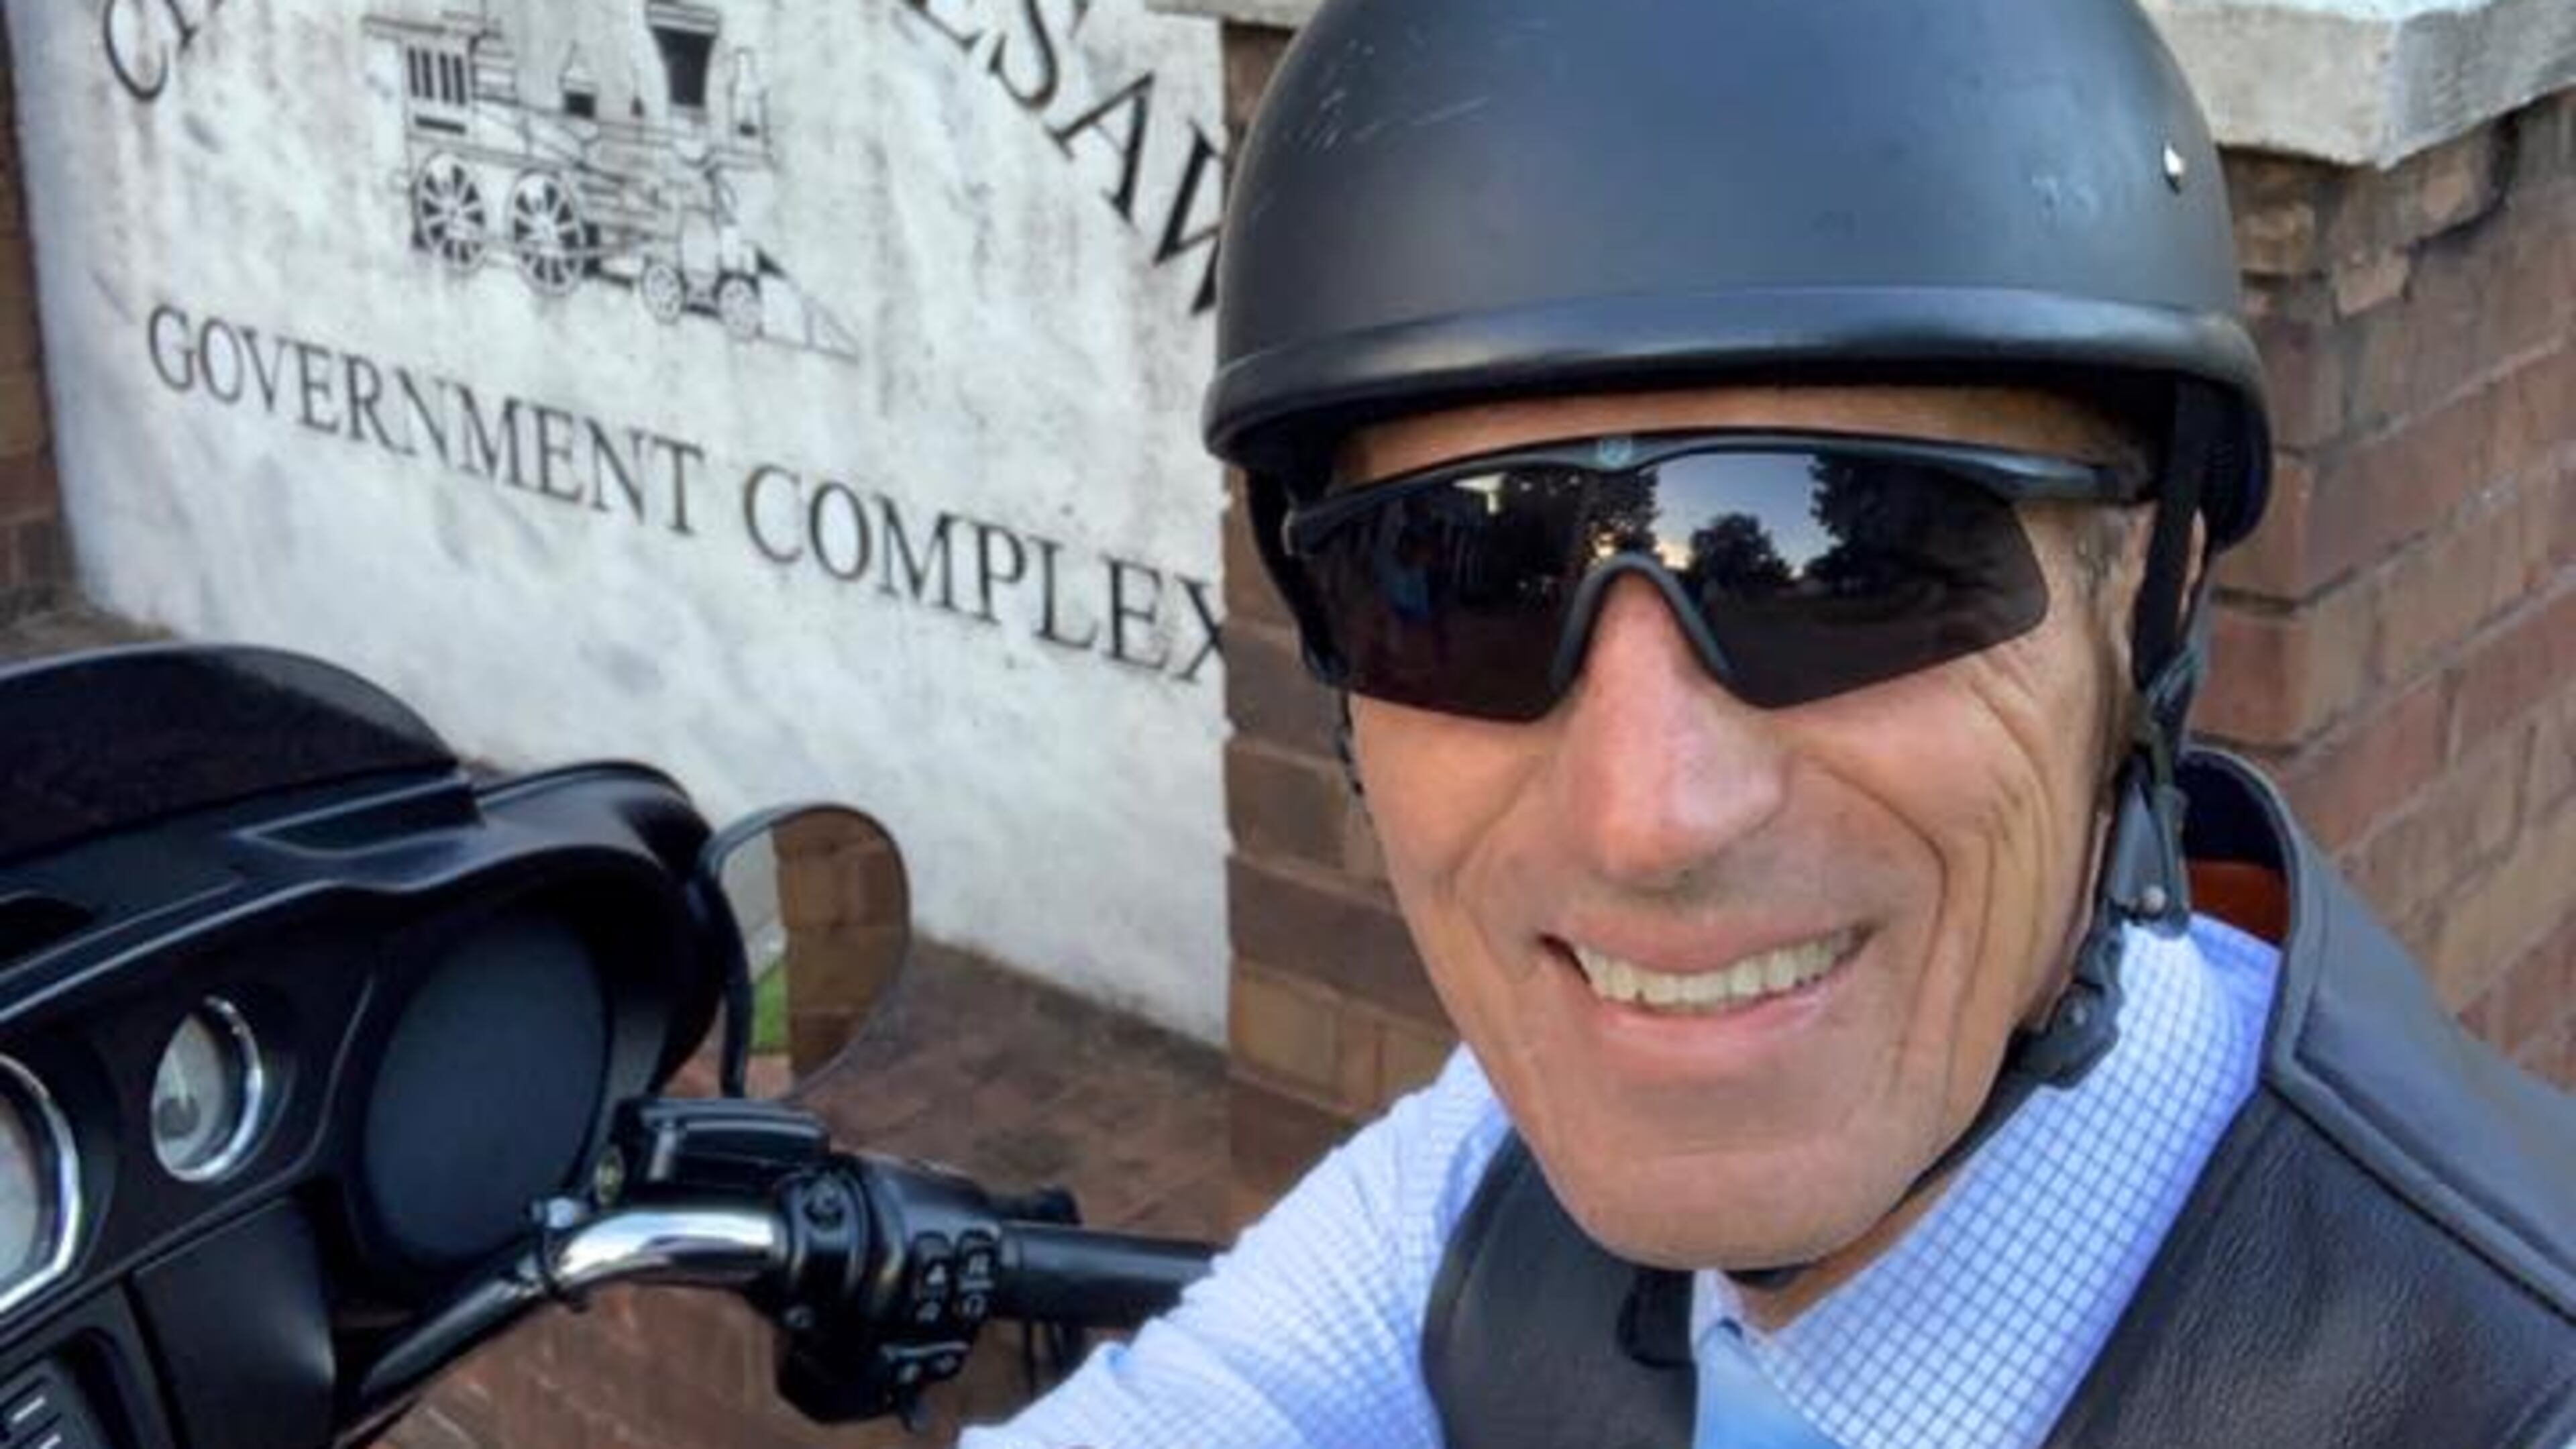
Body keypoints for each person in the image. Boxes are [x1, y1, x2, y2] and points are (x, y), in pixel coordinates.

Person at [963, 0, 2576, 1443]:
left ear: (2145, 593)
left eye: (1850, 558)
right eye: (1461, 575)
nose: (1648, 818)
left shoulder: (2504, 1384)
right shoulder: (1485, 1187)